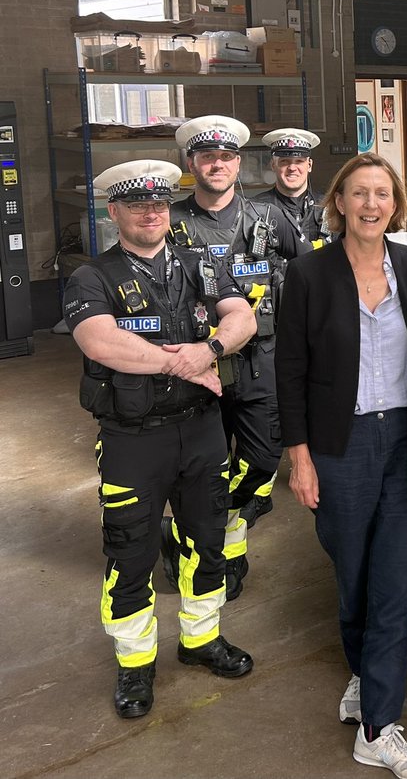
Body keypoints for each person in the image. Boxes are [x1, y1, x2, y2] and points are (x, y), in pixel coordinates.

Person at [63, 159, 258, 719]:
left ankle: (200, 640)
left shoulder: (199, 264)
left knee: (207, 540)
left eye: (160, 202)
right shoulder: (91, 277)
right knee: (131, 551)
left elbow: (240, 317)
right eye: (138, 204)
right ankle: (135, 661)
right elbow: (101, 342)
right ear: (115, 211)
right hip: (132, 440)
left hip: (200, 431)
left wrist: (210, 352)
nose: (152, 211)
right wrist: (183, 365)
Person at [276, 153, 407, 779]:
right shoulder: (310, 275)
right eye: (360, 193)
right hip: (338, 447)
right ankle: (364, 674)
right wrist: (299, 458)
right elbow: (289, 372)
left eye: (384, 194)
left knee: (397, 582)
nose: (372, 204)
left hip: (406, 443)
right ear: (338, 201)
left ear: (397, 206)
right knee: (354, 578)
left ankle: (379, 726)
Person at [162, 115, 309, 601]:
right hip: (195, 370)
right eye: (208, 157)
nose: (217, 165)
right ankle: (216, 553)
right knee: (198, 472)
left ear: (238, 163)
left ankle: (213, 534)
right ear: (192, 164)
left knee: (260, 463)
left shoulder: (267, 220)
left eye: (226, 158)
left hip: (259, 362)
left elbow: (312, 274)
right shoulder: (172, 221)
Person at [254, 128, 331, 246]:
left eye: (299, 161)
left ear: (309, 165)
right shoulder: (256, 208)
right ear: (273, 165)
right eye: (285, 161)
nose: (292, 168)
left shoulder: (327, 207)